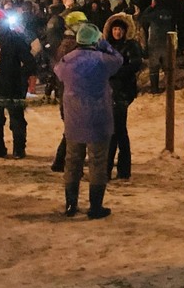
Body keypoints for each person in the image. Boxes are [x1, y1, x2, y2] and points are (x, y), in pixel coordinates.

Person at [54, 22, 122, 219]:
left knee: (72, 160)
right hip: (99, 117)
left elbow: (58, 72)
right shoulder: (102, 59)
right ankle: (95, 207)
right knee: (98, 162)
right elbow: (118, 60)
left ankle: (71, 204)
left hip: (74, 117)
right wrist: (105, 45)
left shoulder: (67, 60)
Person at [0, 9, 37, 159]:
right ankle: (19, 150)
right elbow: (29, 61)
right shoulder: (15, 37)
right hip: (14, 83)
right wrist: (25, 74)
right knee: (17, 117)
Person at [103, 14, 144, 181]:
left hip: (123, 91)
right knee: (116, 130)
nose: (117, 32)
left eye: (120, 29)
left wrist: (117, 72)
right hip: (109, 91)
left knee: (116, 129)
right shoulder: (106, 46)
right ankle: (119, 169)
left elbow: (135, 64)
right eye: (114, 29)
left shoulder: (131, 45)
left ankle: (114, 169)